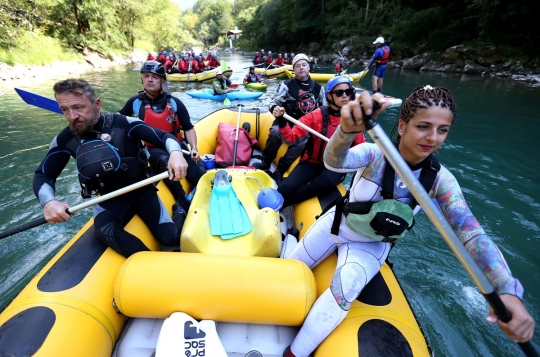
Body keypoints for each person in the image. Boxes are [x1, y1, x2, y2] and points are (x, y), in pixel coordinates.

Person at [282, 86, 536, 357]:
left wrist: (506, 288)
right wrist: (346, 131)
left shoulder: (441, 181)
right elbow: (334, 162)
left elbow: (471, 234)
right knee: (290, 273)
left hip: (371, 246)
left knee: (348, 286)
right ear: (402, 126)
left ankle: (294, 353)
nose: (433, 138)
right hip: (336, 227)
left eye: (442, 130)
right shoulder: (374, 154)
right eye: (424, 126)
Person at [34, 78, 188, 258]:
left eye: (78, 107)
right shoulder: (65, 140)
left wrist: (176, 154)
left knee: (169, 238)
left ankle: (178, 211)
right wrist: (49, 202)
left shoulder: (124, 124)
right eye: (65, 110)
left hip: (142, 191)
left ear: (97, 104)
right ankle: (149, 264)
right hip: (109, 198)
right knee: (105, 231)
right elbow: (43, 175)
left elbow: (164, 137)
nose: (72, 116)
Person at [118, 61, 203, 212]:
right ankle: (183, 201)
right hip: (153, 148)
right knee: (165, 162)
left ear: (163, 82)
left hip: (177, 147)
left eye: (155, 77)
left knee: (198, 175)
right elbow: (118, 120)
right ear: (142, 79)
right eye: (146, 76)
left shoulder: (174, 102)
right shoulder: (135, 102)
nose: (150, 79)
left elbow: (188, 128)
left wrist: (194, 148)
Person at [276, 76, 365, 208]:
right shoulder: (316, 115)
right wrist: (282, 120)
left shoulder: (355, 121)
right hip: (312, 162)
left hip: (337, 166)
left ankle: (283, 204)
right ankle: (280, 200)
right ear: (329, 96)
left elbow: (361, 150)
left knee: (323, 182)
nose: (345, 96)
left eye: (349, 91)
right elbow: (291, 137)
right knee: (285, 189)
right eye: (339, 93)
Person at [254, 53, 324, 184]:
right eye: (298, 66)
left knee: (303, 143)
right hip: (286, 121)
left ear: (309, 67)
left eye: (304, 65)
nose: (301, 68)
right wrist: (275, 108)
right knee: (275, 133)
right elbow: (273, 102)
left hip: (305, 126)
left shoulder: (318, 89)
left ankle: (280, 169)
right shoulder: (286, 85)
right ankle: (266, 162)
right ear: (294, 69)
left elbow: (324, 109)